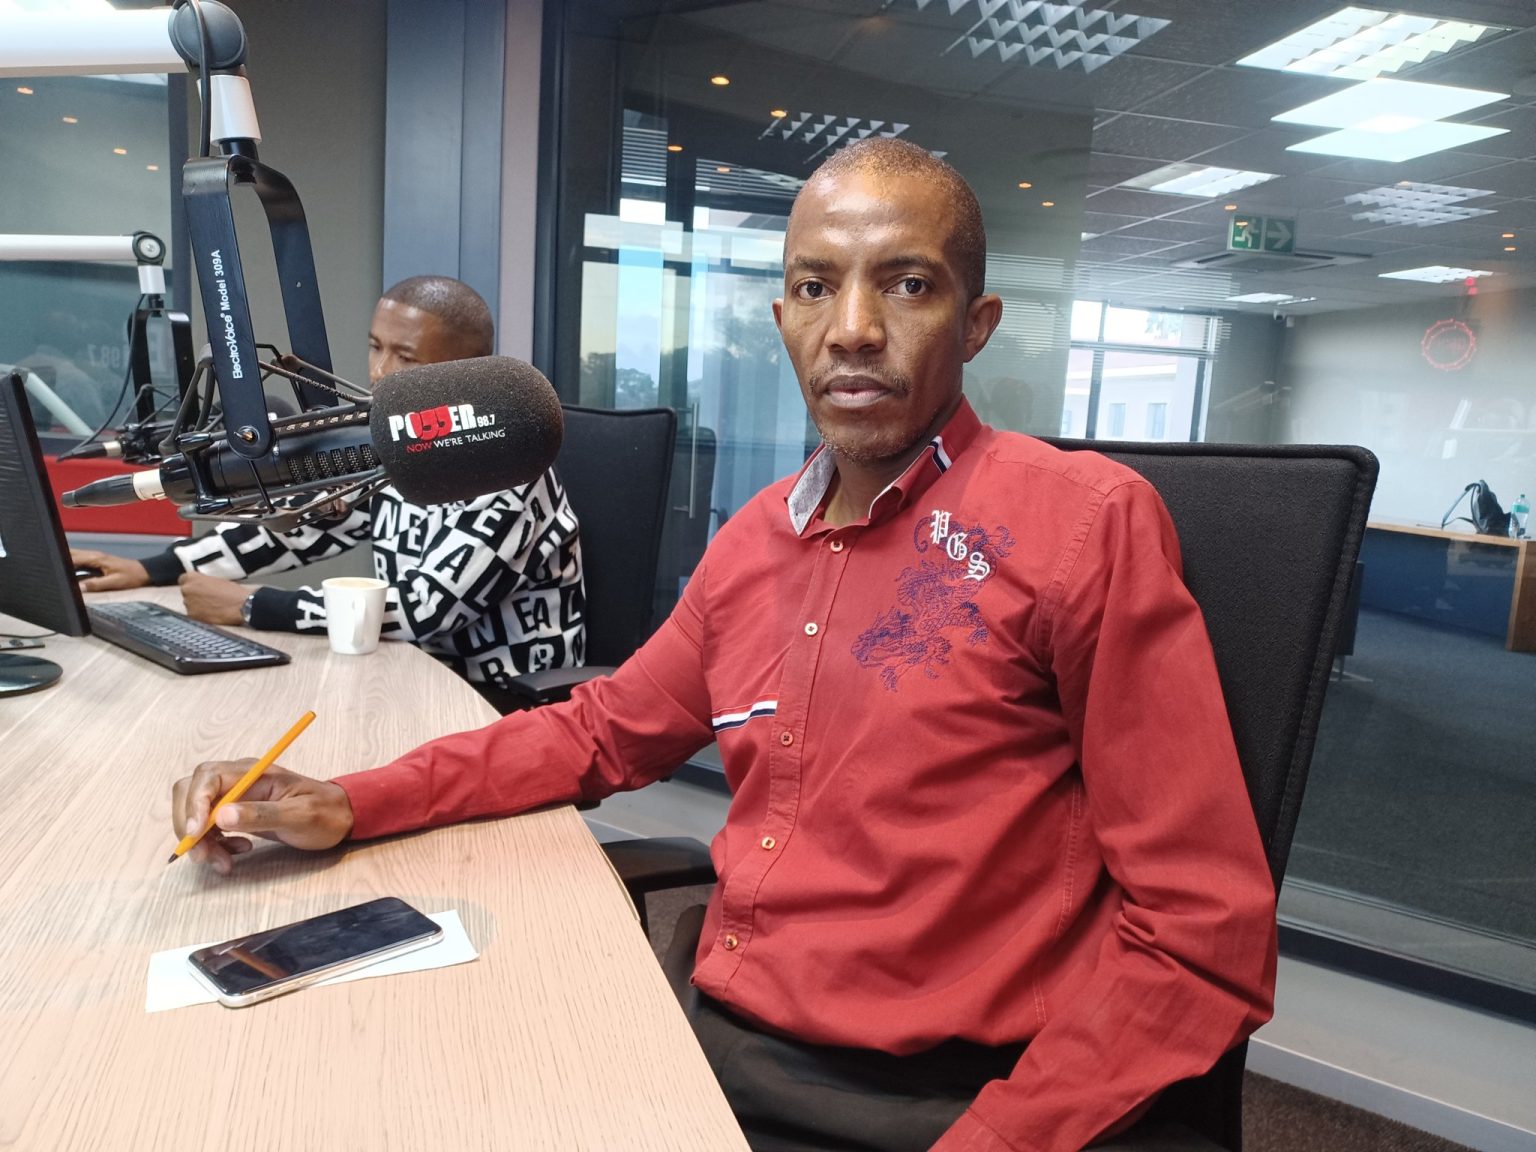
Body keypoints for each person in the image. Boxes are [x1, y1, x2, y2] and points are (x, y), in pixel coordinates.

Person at [170, 142, 1275, 1152]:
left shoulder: (1082, 525)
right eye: (812, 287)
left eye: (907, 283)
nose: (851, 326)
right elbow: (601, 733)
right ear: (783, 317)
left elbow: (1200, 933)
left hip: (964, 1096)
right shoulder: (756, 543)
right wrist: (353, 800)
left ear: (974, 324)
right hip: (730, 1047)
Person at [75, 276, 584, 700]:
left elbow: (428, 608)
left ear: (466, 371)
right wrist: (154, 568)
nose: (381, 373)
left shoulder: (507, 469)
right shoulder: (396, 444)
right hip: (412, 678)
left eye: (406, 358)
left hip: (503, 703)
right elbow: (301, 530)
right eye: (375, 346)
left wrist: (253, 606)